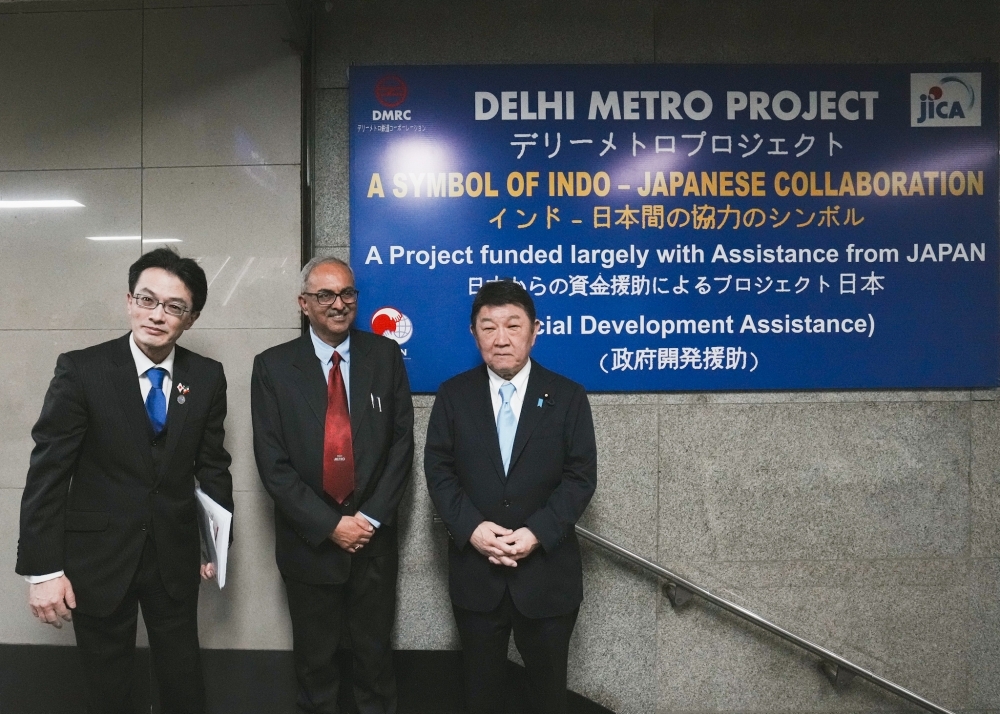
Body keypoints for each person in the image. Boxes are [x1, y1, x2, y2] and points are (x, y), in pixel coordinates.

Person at [16, 247, 234, 714]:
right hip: (98, 557)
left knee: (182, 682)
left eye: (174, 307)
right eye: (147, 299)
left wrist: (213, 544)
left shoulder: (207, 376)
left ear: (190, 318)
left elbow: (212, 464)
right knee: (108, 688)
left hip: (173, 557)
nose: (157, 315)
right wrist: (43, 571)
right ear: (129, 301)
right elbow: (48, 473)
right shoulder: (82, 370)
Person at [424, 279, 597, 714]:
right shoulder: (452, 396)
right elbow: (439, 471)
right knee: (480, 695)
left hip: (546, 577)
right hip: (476, 577)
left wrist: (536, 532)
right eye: (488, 327)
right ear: (473, 333)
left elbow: (580, 477)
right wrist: (473, 529)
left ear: (534, 331)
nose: (501, 339)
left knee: (547, 695)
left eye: (513, 326)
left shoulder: (568, 396)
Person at [251, 256, 414, 714]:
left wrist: (368, 518)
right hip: (309, 545)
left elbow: (402, 445)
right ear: (304, 304)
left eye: (347, 294)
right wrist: (330, 525)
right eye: (325, 295)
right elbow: (273, 464)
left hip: (372, 542)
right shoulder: (273, 367)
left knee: (374, 663)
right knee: (315, 666)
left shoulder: (385, 357)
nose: (338, 304)